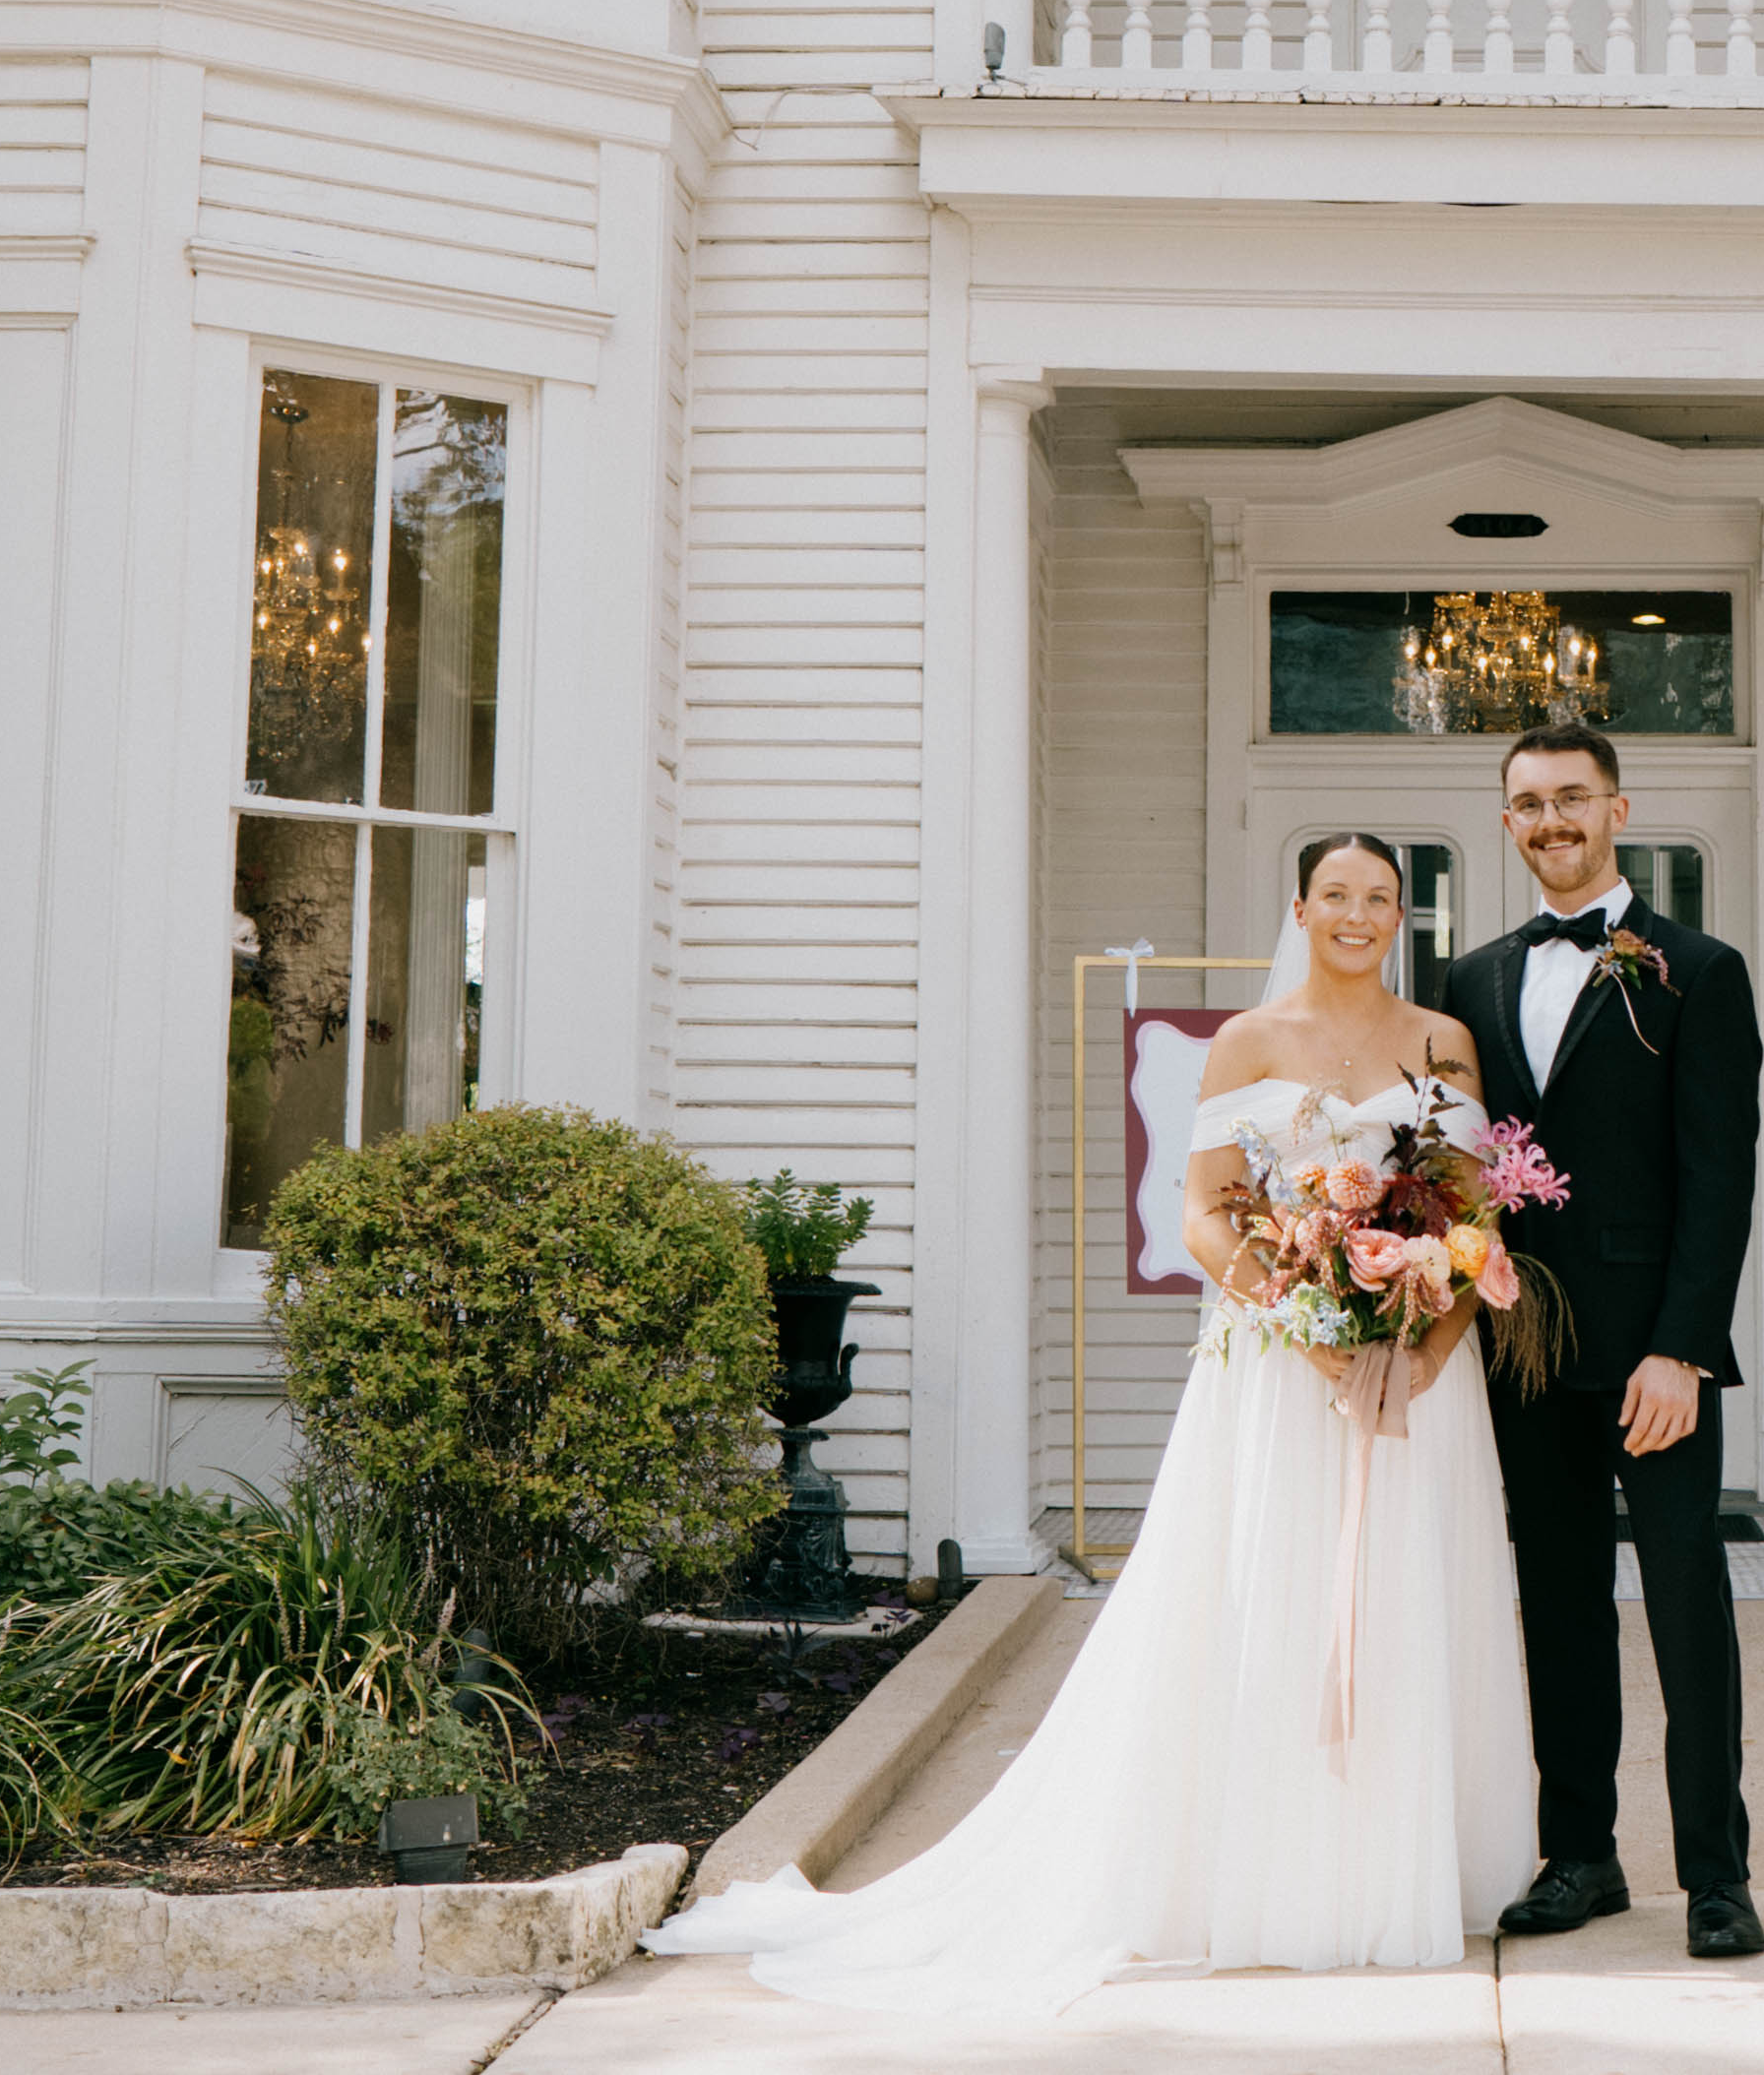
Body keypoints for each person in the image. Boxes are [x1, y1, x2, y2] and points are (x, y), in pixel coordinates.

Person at [646, 833, 1535, 2011]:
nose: (1359, 915)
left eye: (1380, 897)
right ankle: (1274, 1877)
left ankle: (1408, 1868)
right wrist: (1305, 1315)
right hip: (1279, 1366)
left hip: (1418, 1374)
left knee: (1413, 1595)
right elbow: (1210, 1217)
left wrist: (1423, 1343)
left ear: (1401, 914)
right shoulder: (1246, 1043)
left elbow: (1473, 1214)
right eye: (1337, 895)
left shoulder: (1443, 1042)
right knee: (1266, 1598)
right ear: (1300, 906)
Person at [1440, 720, 1764, 1962]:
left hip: (1652, 1354)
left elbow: (1717, 1177)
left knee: (1688, 1605)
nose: (1550, 822)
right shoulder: (1469, 980)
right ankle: (1580, 1853)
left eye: (1571, 798)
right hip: (1520, 1350)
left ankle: (1717, 1875)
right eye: (1527, 803)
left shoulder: (1698, 969)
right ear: (1509, 821)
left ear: (1618, 811)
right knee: (1558, 1602)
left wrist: (1683, 1347)